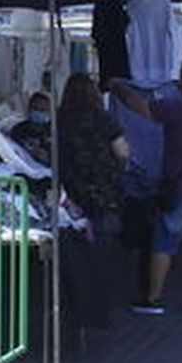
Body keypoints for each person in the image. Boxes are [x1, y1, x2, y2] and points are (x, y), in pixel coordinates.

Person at [109, 56, 182, 317]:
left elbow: (141, 107)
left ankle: (153, 298)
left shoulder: (178, 108)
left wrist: (118, 87)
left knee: (164, 242)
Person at [56, 74, 129, 333]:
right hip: (105, 196)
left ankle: (75, 312)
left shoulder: (60, 121)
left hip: (72, 195)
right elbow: (123, 152)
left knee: (73, 258)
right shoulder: (106, 119)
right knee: (101, 255)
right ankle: (99, 313)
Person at [9, 91, 53, 165]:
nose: (38, 113)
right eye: (35, 109)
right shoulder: (18, 130)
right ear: (29, 110)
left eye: (43, 110)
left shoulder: (54, 132)